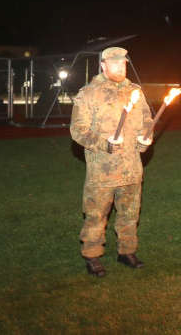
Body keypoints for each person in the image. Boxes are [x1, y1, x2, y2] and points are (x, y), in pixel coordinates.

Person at [70, 47, 153, 277]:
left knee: (130, 213)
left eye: (123, 62)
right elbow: (78, 131)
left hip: (131, 168)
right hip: (103, 171)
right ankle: (92, 255)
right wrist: (103, 142)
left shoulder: (135, 91)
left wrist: (146, 139)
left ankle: (127, 251)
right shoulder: (89, 93)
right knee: (96, 216)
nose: (120, 66)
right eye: (114, 62)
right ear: (103, 65)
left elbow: (146, 121)